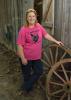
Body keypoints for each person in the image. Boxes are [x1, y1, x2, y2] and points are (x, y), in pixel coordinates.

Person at [16, 8, 63, 95]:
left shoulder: (38, 26)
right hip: (26, 57)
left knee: (39, 71)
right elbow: (19, 45)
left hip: (37, 57)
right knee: (26, 74)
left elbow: (46, 35)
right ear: (26, 18)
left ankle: (25, 87)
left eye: (33, 16)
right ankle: (28, 90)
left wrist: (56, 41)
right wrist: (22, 58)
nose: (31, 18)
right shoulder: (23, 29)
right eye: (29, 16)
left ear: (35, 17)